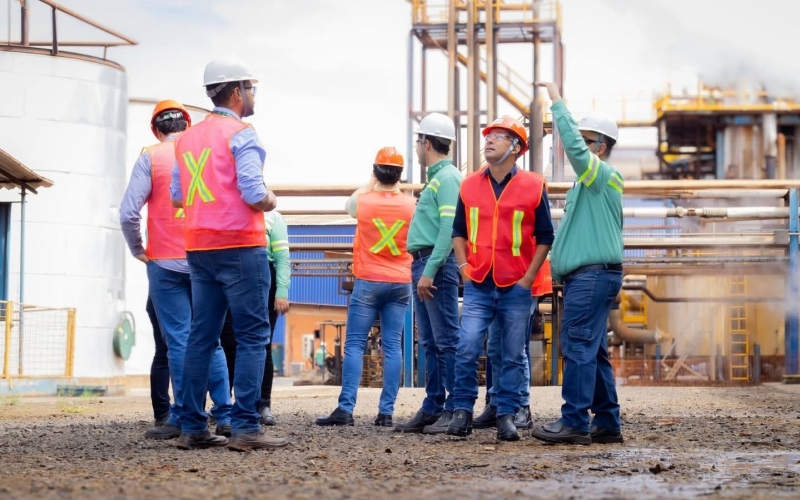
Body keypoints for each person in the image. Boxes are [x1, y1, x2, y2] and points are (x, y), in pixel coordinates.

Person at [170, 57, 287, 451]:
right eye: (251, 88)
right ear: (236, 92)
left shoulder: (186, 138)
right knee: (254, 336)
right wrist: (271, 200)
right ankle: (247, 428)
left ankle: (192, 426)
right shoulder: (242, 133)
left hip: (199, 249)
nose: (253, 96)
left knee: (201, 337)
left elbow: (176, 194)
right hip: (240, 247)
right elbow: (254, 192)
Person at [120, 100, 232, 440]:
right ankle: (225, 414)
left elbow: (128, 214)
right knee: (211, 341)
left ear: (157, 129)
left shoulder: (150, 156)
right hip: (206, 256)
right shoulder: (205, 153)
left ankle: (186, 417)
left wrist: (140, 250)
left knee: (180, 341)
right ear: (187, 124)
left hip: (164, 262)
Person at [446, 116, 553, 441]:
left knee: (509, 354)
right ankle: (462, 410)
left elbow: (546, 236)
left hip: (515, 286)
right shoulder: (469, 185)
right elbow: (459, 231)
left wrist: (528, 279)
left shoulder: (533, 186)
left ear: (516, 147)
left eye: (500, 136)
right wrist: (464, 268)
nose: (489, 140)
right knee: (466, 347)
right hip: (479, 283)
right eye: (489, 135)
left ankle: (506, 415)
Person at [531, 82, 624, 445]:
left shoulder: (600, 175)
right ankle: (606, 421)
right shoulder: (587, 185)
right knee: (593, 349)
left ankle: (573, 422)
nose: (575, 147)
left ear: (599, 147)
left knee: (579, 347)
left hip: (592, 278)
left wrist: (557, 103)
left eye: (585, 141)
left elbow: (573, 147)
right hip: (590, 278)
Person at [316, 147, 415, 427]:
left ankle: (345, 409)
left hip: (369, 279)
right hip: (400, 281)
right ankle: (386, 412)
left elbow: (348, 206)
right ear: (400, 174)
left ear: (376, 171)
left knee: (355, 344)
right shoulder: (411, 205)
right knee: (393, 345)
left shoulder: (364, 202)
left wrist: (370, 182)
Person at [395, 113, 462, 435]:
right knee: (433, 343)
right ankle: (434, 405)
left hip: (434, 266)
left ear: (426, 142)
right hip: (424, 264)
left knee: (446, 340)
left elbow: (450, 229)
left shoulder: (447, 178)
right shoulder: (437, 179)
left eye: (419, 141)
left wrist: (431, 270)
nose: (417, 148)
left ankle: (454, 407)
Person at [220, 209, 291, 426]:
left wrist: (282, 291)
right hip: (233, 274)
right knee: (229, 342)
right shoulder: (228, 210)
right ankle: (228, 404)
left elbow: (282, 257)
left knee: (264, 344)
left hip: (264, 276)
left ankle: (262, 404)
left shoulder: (272, 217)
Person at [473, 256, 553, 431]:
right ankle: (497, 404)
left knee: (515, 348)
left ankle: (521, 406)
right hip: (498, 278)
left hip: (522, 278)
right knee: (495, 347)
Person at [145, 296, 170, 427]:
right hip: (167, 299)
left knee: (162, 354)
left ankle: (163, 412)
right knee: (163, 354)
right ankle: (165, 412)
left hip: (158, 297)